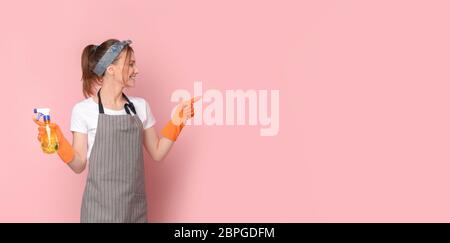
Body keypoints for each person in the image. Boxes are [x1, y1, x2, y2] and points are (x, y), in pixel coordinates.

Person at [33, 39, 200, 223]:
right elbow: (79, 164)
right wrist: (59, 144)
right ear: (110, 69)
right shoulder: (83, 111)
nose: (137, 70)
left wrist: (178, 121)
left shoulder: (140, 107)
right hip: (98, 213)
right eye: (130, 64)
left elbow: (158, 152)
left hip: (134, 212)